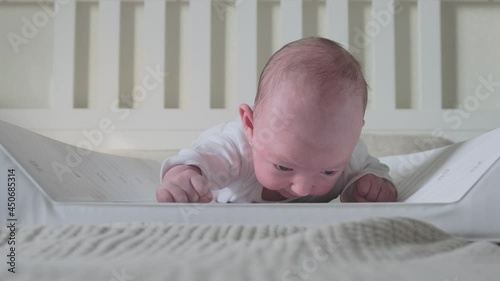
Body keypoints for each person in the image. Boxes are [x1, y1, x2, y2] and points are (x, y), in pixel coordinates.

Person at [156, 37, 397, 203]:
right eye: (283, 166)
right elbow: (202, 158)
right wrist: (184, 175)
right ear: (251, 126)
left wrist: (369, 183)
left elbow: (371, 168)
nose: (302, 188)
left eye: (328, 171)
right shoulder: (235, 149)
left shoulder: (346, 154)